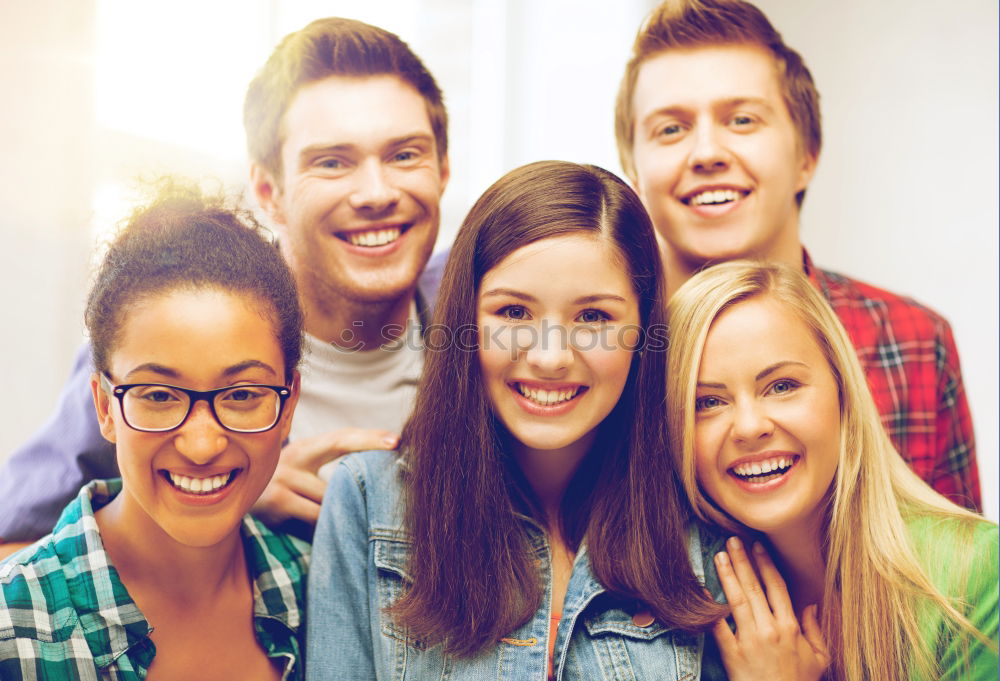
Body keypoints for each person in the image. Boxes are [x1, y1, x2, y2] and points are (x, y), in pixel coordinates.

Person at [0, 17, 451, 555]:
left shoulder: (495, 318)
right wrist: (221, 495)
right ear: (269, 189)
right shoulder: (157, 343)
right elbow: (14, 557)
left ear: (443, 169)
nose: (376, 192)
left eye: (405, 155)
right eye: (332, 162)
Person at [306, 161, 727, 680]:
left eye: (594, 317)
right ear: (466, 322)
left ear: (643, 331)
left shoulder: (701, 516)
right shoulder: (367, 502)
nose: (550, 356)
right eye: (513, 313)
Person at [614, 0, 981, 511]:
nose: (706, 153)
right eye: (670, 129)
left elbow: (968, 577)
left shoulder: (915, 343)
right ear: (634, 170)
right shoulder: (604, 350)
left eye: (741, 119)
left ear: (806, 155)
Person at [0, 184, 309, 679]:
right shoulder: (13, 628)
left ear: (288, 402)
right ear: (104, 405)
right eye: (160, 396)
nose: (202, 444)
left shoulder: (322, 592)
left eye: (243, 394)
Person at [665, 260, 998, 681]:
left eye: (782, 386)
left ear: (843, 392)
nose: (749, 427)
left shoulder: (978, 573)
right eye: (707, 402)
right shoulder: (686, 607)